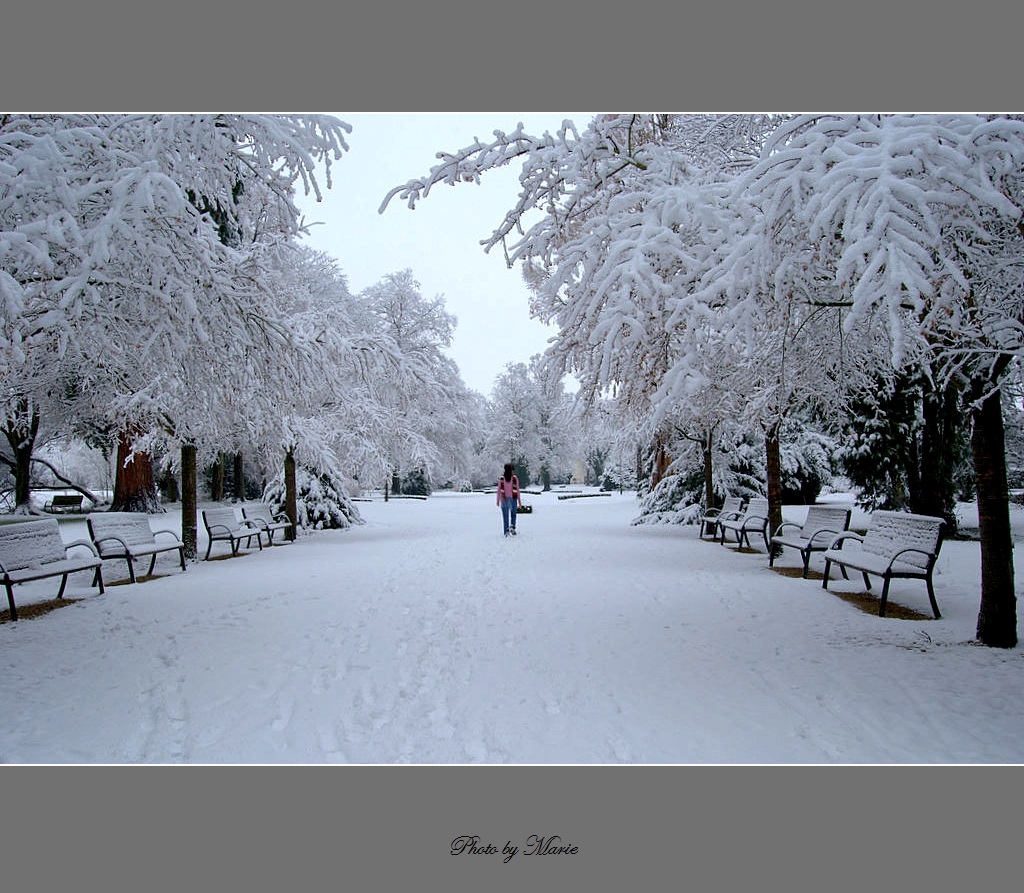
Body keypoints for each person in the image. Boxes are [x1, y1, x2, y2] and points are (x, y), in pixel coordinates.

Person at [496, 462, 522, 537]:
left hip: (504, 500)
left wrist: (498, 500)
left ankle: (506, 532)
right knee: (513, 515)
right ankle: (512, 527)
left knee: (505, 517)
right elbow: (517, 490)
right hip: (513, 499)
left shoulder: (501, 479)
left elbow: (498, 490)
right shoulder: (514, 478)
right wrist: (519, 502)